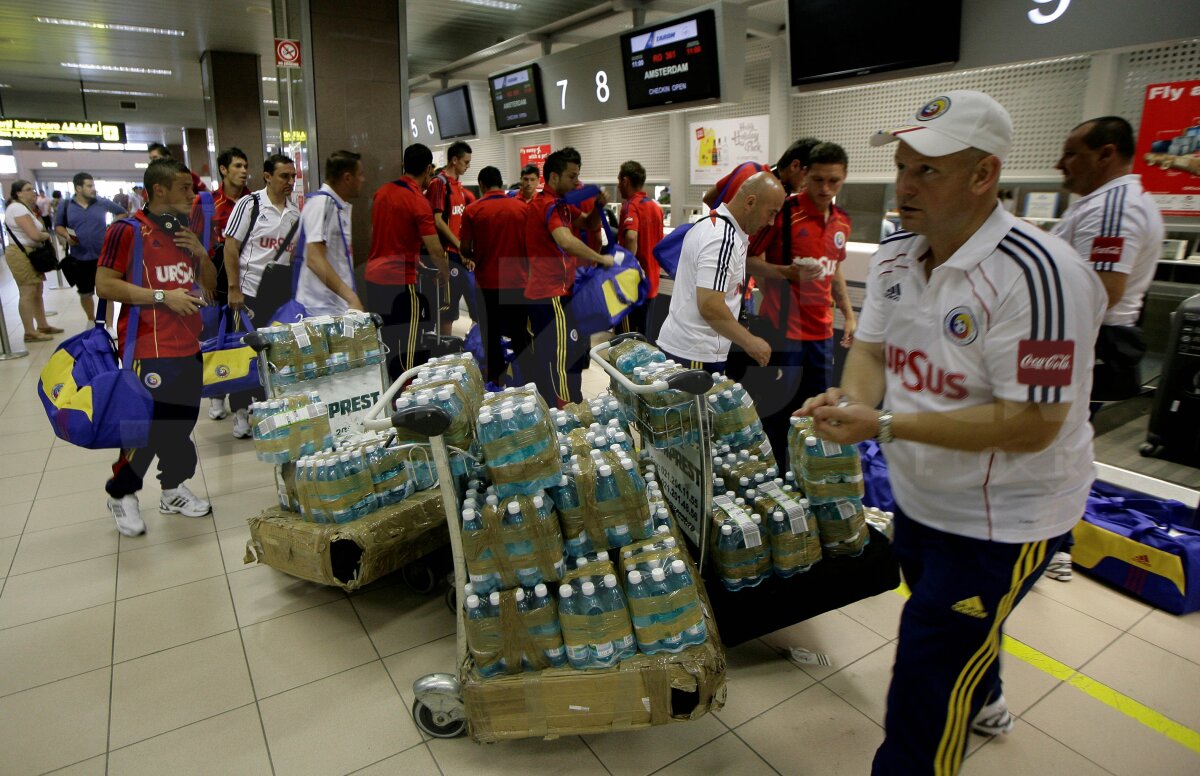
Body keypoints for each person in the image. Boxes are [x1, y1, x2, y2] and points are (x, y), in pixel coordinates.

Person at [798, 90, 1105, 776]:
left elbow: (1034, 424)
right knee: (956, 630)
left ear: (983, 175)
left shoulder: (1040, 276)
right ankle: (988, 693)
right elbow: (872, 349)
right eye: (903, 166)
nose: (904, 186)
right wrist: (852, 403)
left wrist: (882, 424)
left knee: (926, 683)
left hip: (1004, 519)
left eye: (928, 171)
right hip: (922, 498)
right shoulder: (900, 256)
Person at [1044, 115, 1165, 583]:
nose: (1061, 164)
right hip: (1079, 341)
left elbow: (1103, 289)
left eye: (1072, 153)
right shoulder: (1101, 202)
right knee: (1060, 444)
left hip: (1090, 343)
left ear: (1106, 154)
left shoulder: (1115, 206)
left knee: (1057, 447)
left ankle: (1055, 545)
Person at [96, 157, 216, 536]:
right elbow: (105, 285)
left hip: (188, 347)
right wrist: (163, 296)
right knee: (142, 430)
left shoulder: (184, 232)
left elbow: (210, 284)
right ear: (158, 190)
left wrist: (200, 252)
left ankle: (172, 488)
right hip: (148, 348)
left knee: (180, 426)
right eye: (184, 188)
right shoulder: (127, 230)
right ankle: (122, 493)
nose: (192, 195)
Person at [745, 142, 856, 457]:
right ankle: (775, 474)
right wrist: (785, 272)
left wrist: (848, 315)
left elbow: (835, 271)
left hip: (821, 333)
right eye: (817, 179)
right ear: (805, 174)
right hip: (782, 330)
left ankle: (808, 471)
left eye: (833, 181)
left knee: (818, 409)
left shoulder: (842, 221)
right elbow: (748, 260)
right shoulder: (785, 212)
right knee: (778, 412)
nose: (824, 188)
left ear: (844, 177)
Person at [656, 172, 785, 372]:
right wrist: (750, 342)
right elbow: (709, 304)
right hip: (694, 354)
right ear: (750, 202)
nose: (771, 222)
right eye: (771, 213)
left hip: (690, 349)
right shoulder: (722, 238)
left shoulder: (715, 225)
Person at [523, 146, 614, 407]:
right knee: (561, 359)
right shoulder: (547, 205)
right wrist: (600, 259)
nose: (577, 182)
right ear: (553, 177)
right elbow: (567, 240)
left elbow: (588, 224)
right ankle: (569, 414)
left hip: (556, 293)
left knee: (561, 356)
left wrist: (597, 207)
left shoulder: (562, 206)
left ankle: (562, 405)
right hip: (550, 296)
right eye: (572, 177)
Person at [224, 153, 301, 437]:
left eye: (293, 177)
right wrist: (234, 288)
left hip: (278, 295)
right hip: (249, 293)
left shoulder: (294, 213)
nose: (290, 182)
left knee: (274, 353)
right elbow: (230, 246)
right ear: (267, 176)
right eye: (284, 176)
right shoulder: (251, 204)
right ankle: (241, 411)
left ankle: (268, 408)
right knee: (244, 353)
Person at [365, 143, 450, 380]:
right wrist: (444, 273)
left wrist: (416, 262)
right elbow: (434, 247)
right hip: (400, 284)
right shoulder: (417, 201)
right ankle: (405, 397)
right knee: (408, 347)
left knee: (385, 341)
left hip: (374, 281)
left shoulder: (381, 193)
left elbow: (387, 236)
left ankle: (385, 394)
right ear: (427, 169)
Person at [190, 147, 250, 422]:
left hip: (244, 278)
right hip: (214, 279)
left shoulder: (254, 201)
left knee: (240, 339)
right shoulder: (205, 203)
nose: (243, 171)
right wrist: (202, 280)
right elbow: (192, 245)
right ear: (224, 170)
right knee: (216, 337)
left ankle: (241, 402)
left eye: (245, 166)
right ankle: (216, 393)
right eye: (237, 166)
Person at [460, 165, 532, 386]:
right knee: (520, 334)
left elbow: (464, 248)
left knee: (491, 335)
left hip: (488, 283)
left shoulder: (472, 210)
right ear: (500, 183)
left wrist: (477, 254)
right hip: (517, 281)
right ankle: (529, 380)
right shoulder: (522, 208)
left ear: (481, 185)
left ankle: (496, 382)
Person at [296, 149, 366, 317]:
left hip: (334, 306)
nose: (363, 180)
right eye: (360, 174)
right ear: (347, 178)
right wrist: (351, 298)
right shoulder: (322, 204)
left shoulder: (336, 205)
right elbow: (314, 259)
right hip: (320, 309)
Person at [54, 172, 128, 322]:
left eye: (93, 185)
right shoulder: (67, 205)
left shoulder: (101, 202)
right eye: (89, 186)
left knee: (107, 292)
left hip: (103, 256)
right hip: (79, 256)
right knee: (85, 293)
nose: (93, 189)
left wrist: (111, 228)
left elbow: (122, 213)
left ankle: (109, 325)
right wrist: (67, 236)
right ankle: (91, 319)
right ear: (78, 188)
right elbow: (58, 226)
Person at [426, 141, 475, 336]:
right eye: (465, 161)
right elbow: (438, 221)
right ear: (454, 160)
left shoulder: (460, 188)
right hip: (445, 255)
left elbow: (458, 223)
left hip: (458, 254)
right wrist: (460, 247)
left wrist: (464, 253)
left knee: (465, 306)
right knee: (448, 309)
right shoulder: (440, 183)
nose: (468, 165)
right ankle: (443, 350)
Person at [3, 180, 61, 342]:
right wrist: (46, 235)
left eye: (33, 189)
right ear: (18, 193)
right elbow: (34, 235)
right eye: (28, 189)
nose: (33, 192)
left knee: (37, 291)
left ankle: (42, 325)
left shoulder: (25, 208)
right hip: (21, 253)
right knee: (28, 292)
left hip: (30, 252)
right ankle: (29, 331)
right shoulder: (17, 208)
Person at [616, 160, 665, 336]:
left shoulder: (630, 206)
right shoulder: (656, 207)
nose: (618, 185)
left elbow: (631, 236)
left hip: (633, 286)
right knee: (645, 337)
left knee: (627, 339)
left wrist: (625, 270)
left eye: (619, 180)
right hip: (651, 284)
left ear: (626, 181)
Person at [701, 137, 818, 208]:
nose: (808, 183)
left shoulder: (748, 167)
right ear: (795, 166)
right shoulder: (765, 191)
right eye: (809, 174)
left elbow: (708, 198)